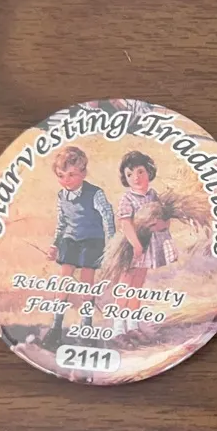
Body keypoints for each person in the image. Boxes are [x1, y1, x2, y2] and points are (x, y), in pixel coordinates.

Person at [41, 146, 115, 351]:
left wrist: (111, 245)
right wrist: (55, 245)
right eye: (61, 175)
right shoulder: (61, 196)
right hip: (70, 240)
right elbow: (62, 223)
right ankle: (56, 327)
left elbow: (108, 217)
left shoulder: (95, 193)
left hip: (92, 241)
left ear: (83, 173)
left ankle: (86, 327)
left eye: (72, 174)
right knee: (64, 282)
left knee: (86, 283)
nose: (66, 180)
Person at [114, 151, 176, 340]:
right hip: (133, 247)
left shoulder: (153, 195)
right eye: (130, 174)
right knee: (125, 284)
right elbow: (125, 224)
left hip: (149, 246)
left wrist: (162, 225)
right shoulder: (127, 199)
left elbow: (163, 218)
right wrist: (136, 245)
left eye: (140, 172)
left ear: (149, 172)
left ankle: (132, 325)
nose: (136, 178)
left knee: (138, 285)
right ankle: (118, 328)